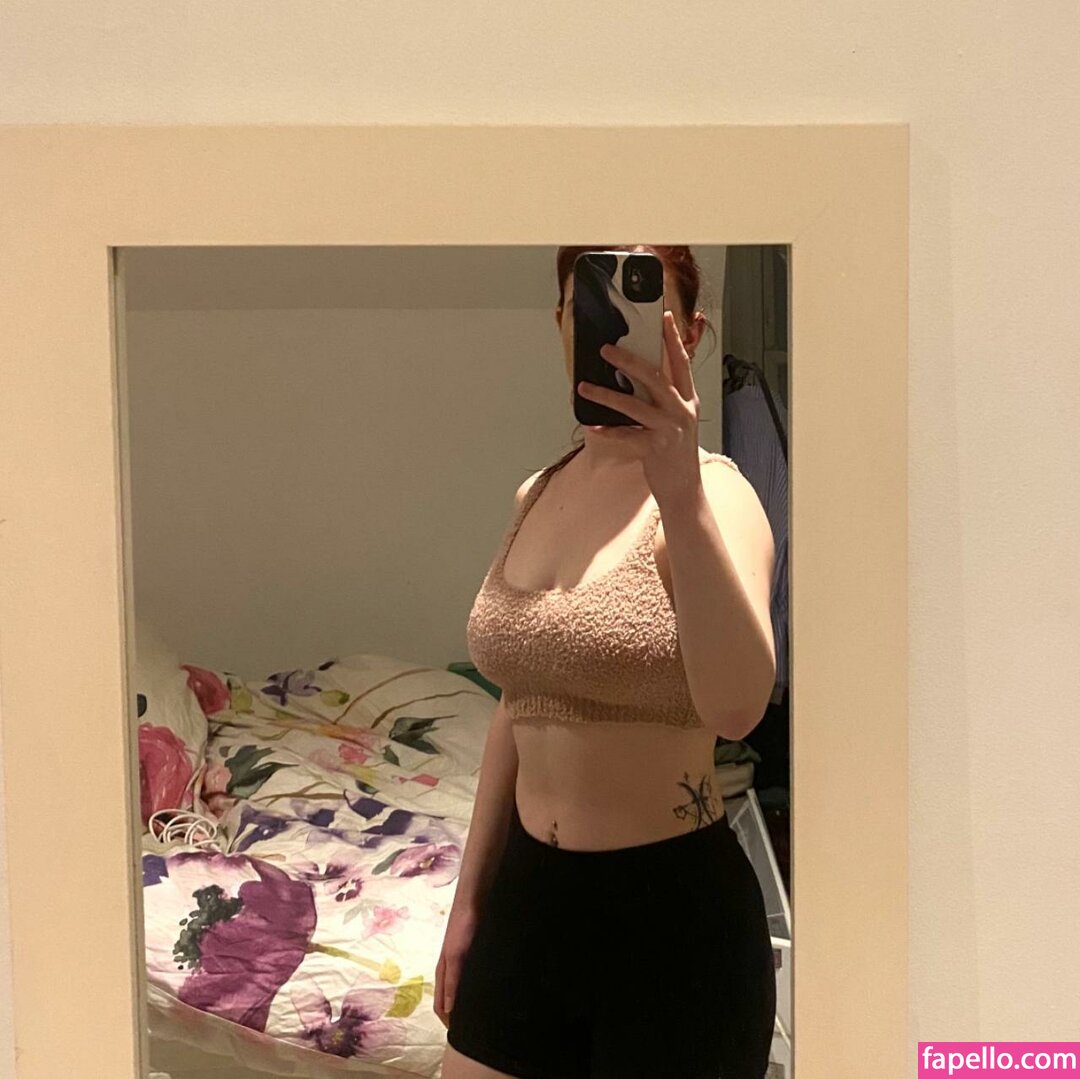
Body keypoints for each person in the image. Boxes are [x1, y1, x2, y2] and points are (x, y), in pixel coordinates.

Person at [437, 245, 778, 1079]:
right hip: (529, 902)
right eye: (583, 307)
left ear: (688, 334)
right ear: (562, 324)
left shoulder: (719, 496)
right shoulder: (536, 492)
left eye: (641, 309)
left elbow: (738, 707)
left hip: (673, 920)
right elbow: (520, 700)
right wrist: (469, 899)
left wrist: (680, 496)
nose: (607, 330)